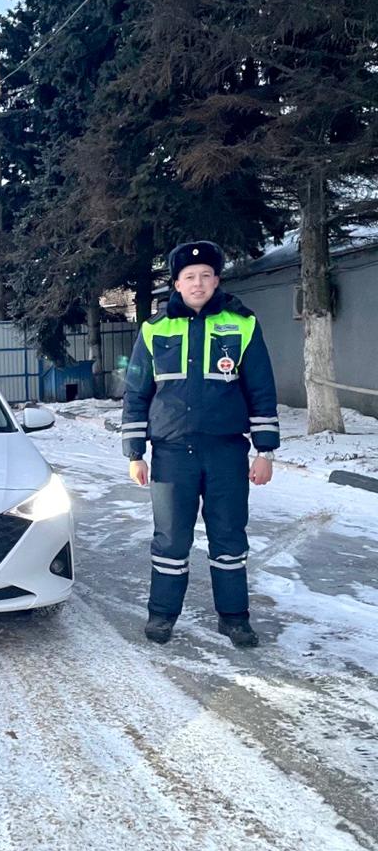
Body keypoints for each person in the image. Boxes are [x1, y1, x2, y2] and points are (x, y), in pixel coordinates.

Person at [122, 240, 279, 647]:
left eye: (206, 275)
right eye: (189, 277)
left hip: (226, 450)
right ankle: (162, 615)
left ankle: (234, 617)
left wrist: (265, 451)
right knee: (171, 539)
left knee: (228, 536)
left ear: (217, 281)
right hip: (173, 454)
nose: (198, 283)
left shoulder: (242, 323)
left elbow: (260, 387)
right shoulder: (156, 329)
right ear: (176, 283)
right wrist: (135, 453)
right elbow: (137, 392)